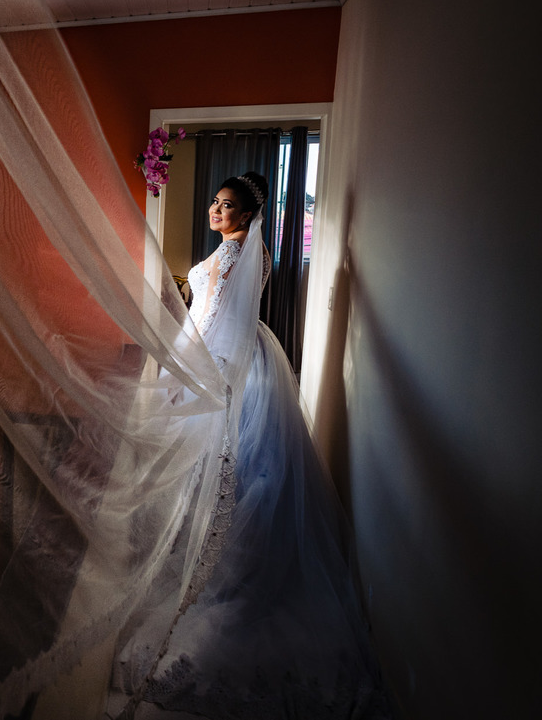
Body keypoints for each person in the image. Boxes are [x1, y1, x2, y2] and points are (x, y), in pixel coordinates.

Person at [107, 173, 391, 719]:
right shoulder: (237, 247)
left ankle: (219, 563)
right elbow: (209, 314)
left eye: (227, 204)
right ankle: (210, 548)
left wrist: (190, 379)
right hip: (234, 355)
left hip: (227, 365)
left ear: (248, 213)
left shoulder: (240, 253)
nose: (216, 209)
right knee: (231, 469)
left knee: (230, 467)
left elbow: (215, 320)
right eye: (214, 201)